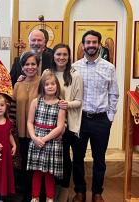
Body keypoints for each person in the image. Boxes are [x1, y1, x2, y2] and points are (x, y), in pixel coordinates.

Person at [71, 30, 119, 202]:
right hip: (80, 119)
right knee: (77, 158)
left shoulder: (109, 67)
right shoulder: (75, 67)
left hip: (100, 120)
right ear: (83, 45)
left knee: (99, 159)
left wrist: (110, 117)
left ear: (99, 45)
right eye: (88, 42)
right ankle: (80, 191)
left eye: (94, 42)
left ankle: (97, 192)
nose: (91, 45)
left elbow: (113, 94)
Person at [42, 43, 83, 202]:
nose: (61, 57)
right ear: (53, 56)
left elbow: (79, 101)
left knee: (64, 159)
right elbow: (42, 92)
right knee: (50, 159)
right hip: (47, 122)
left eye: (64, 55)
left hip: (67, 124)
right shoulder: (47, 72)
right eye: (58, 54)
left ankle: (63, 193)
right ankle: (50, 193)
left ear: (69, 57)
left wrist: (67, 104)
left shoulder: (75, 75)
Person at [26, 71, 66, 202]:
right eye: (47, 84)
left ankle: (50, 198)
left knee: (49, 172)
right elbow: (30, 122)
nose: (50, 86)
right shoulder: (36, 101)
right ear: (42, 86)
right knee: (37, 171)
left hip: (51, 141)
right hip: (36, 140)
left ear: (57, 86)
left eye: (53, 84)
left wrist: (44, 139)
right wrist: (34, 137)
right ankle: (35, 197)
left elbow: (60, 127)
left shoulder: (60, 104)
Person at [11, 51, 40, 202]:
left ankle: (34, 195)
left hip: (38, 133)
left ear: (38, 65)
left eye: (33, 64)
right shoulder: (18, 84)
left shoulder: (42, 83)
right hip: (21, 132)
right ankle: (25, 195)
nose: (30, 67)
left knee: (35, 165)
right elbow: (13, 108)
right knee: (23, 164)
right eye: (27, 64)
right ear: (22, 67)